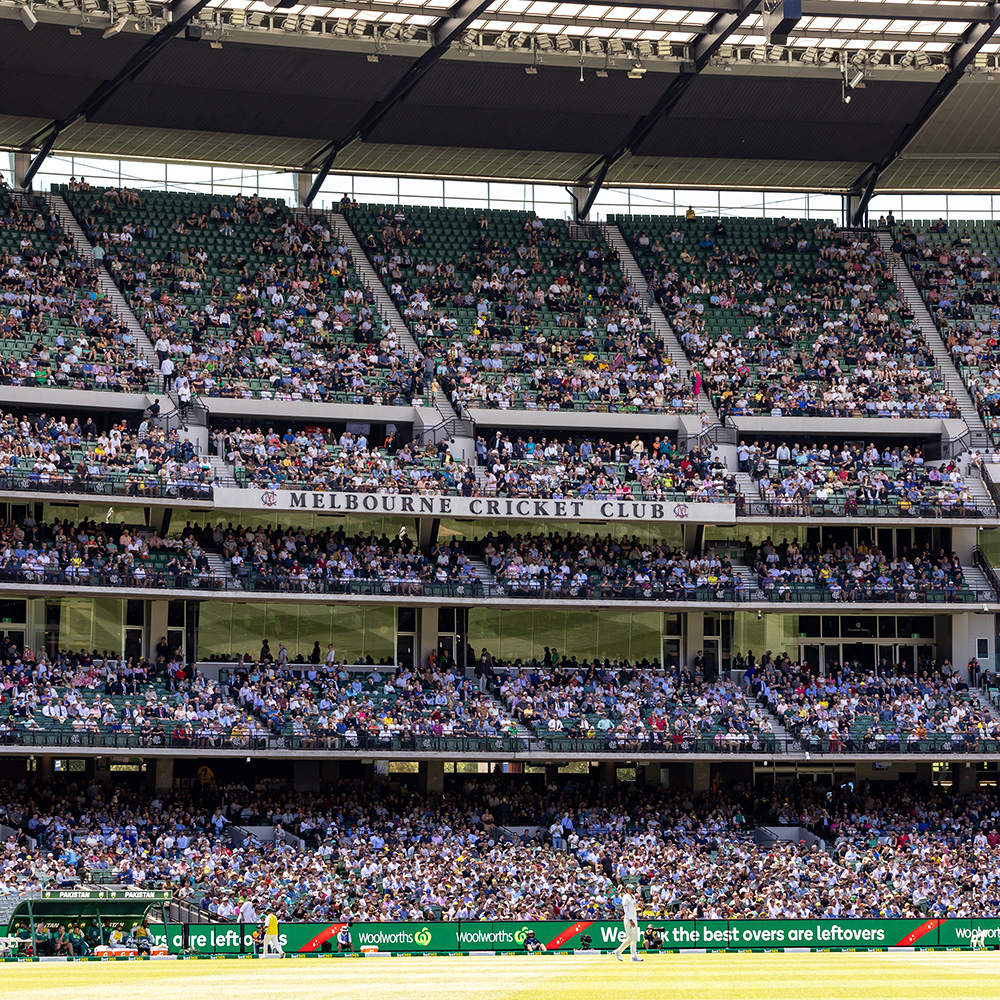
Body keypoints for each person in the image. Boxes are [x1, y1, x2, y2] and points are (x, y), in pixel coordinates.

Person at [612, 885, 642, 962]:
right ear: (628, 889)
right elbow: (626, 909)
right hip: (629, 919)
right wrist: (630, 919)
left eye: (633, 888)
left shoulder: (632, 897)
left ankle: (633, 956)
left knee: (635, 938)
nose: (633, 889)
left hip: (634, 919)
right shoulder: (626, 897)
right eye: (632, 888)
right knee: (630, 938)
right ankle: (618, 951)